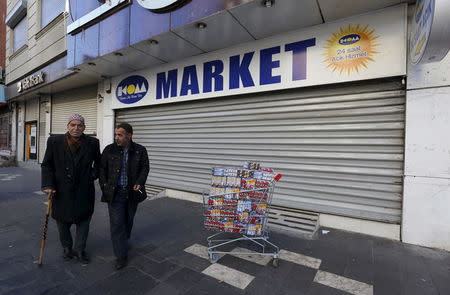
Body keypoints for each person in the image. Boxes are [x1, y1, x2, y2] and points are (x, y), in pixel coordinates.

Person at [41, 114, 100, 264]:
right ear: (67, 126)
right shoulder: (54, 141)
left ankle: (80, 249)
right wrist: (48, 185)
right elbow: (47, 164)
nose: (76, 128)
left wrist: (91, 176)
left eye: (79, 125)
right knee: (62, 221)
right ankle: (67, 248)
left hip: (84, 190)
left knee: (84, 221)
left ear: (84, 127)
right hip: (61, 190)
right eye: (73, 125)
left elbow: (99, 165)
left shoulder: (93, 142)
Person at [99, 123, 149, 270]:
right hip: (115, 193)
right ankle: (120, 256)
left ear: (129, 135)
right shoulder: (109, 149)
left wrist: (140, 182)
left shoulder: (140, 150)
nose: (117, 137)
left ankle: (123, 240)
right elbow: (102, 170)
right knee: (116, 224)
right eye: (116, 134)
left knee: (128, 220)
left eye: (120, 135)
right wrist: (105, 186)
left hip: (132, 193)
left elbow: (145, 167)